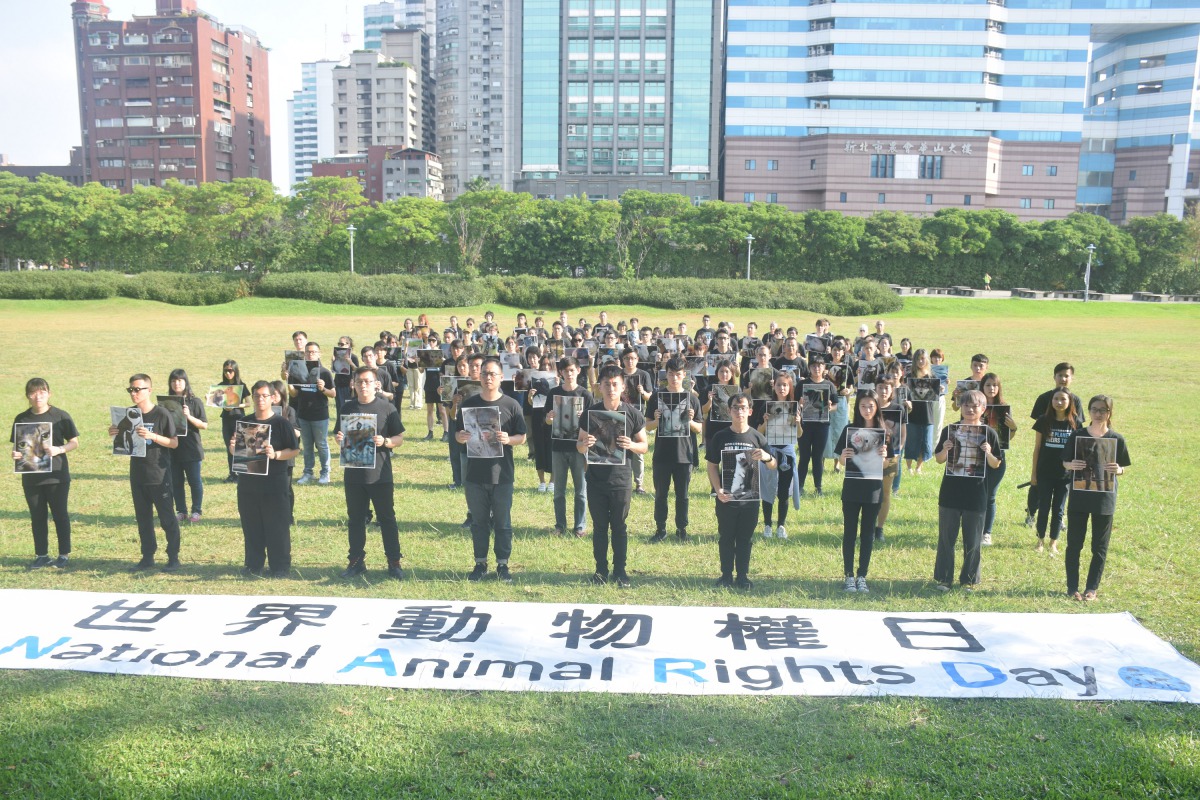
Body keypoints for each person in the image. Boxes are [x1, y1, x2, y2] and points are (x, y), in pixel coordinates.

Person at [456, 357, 527, 581]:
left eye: (493, 374)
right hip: (475, 474)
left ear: (501, 378)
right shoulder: (468, 404)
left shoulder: (511, 405)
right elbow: (457, 435)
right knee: (479, 523)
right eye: (485, 373)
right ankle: (480, 564)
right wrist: (461, 436)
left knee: (503, 522)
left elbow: (522, 437)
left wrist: (509, 439)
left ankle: (503, 565)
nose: (488, 378)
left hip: (502, 474)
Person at [577, 364, 649, 586]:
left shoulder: (632, 413)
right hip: (596, 479)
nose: (610, 388)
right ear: (599, 386)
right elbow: (579, 445)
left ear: (622, 386)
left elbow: (645, 446)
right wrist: (585, 444)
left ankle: (620, 571)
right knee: (599, 528)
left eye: (615, 384)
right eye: (606, 384)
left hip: (620, 480)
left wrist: (631, 445)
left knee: (619, 526)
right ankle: (600, 571)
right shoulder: (591, 413)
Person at [336, 366, 407, 580]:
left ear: (376, 384)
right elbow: (340, 435)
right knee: (355, 519)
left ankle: (394, 563)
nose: (363, 386)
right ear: (354, 384)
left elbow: (399, 439)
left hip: (379, 474)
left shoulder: (387, 408)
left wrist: (385, 441)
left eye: (368, 382)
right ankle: (356, 562)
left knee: (387, 519)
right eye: (359, 382)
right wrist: (339, 439)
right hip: (354, 473)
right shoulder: (347, 408)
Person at [109, 374, 182, 571]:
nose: (133, 393)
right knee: (143, 518)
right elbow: (125, 442)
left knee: (167, 518)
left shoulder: (162, 414)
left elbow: (174, 443)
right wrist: (115, 434)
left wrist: (153, 436)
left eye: (137, 389)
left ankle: (173, 556)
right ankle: (147, 556)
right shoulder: (129, 413)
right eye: (131, 389)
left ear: (148, 390)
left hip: (159, 474)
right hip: (138, 473)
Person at [932, 389, 1003, 592]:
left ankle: (969, 580)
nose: (970, 409)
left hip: (977, 493)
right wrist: (945, 449)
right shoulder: (950, 430)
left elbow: (996, 463)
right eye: (966, 405)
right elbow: (939, 459)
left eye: (975, 406)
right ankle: (944, 578)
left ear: (983, 409)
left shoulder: (990, 433)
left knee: (972, 540)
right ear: (960, 407)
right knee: (946, 538)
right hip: (951, 491)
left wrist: (988, 453)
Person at [1062, 395, 1131, 601]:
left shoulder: (1116, 439)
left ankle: (1092, 588)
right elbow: (1065, 462)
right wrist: (1070, 465)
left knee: (1099, 547)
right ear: (1089, 411)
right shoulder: (1077, 436)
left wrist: (1118, 470)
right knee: (1074, 544)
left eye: (1103, 410)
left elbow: (1123, 467)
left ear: (1109, 413)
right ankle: (1072, 587)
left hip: (1104, 498)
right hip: (1079, 496)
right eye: (1094, 409)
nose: (1098, 413)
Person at [706, 392, 777, 590]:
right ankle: (726, 576)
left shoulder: (757, 436)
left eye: (743, 407)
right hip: (726, 497)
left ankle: (743, 576)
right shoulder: (721, 436)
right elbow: (712, 465)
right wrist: (717, 488)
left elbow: (774, 465)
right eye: (735, 408)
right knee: (726, 537)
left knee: (745, 539)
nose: (739, 411)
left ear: (750, 411)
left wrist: (766, 457)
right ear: (729, 411)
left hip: (750, 499)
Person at [231, 381, 299, 577]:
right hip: (248, 483)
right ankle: (253, 564)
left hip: (275, 484)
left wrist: (275, 454)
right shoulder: (246, 422)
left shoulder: (281, 423)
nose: (260, 399)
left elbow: (294, 450)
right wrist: (233, 448)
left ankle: (279, 566)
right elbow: (237, 452)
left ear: (271, 398)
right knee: (251, 526)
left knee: (277, 526)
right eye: (256, 396)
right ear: (252, 398)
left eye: (264, 396)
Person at [11, 378, 79, 569]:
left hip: (56, 475)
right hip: (31, 477)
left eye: (42, 392)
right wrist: (16, 454)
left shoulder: (59, 416)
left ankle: (64, 554)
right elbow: (19, 447)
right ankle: (41, 554)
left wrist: (59, 449)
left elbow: (74, 442)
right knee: (37, 516)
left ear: (49, 393)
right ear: (28, 396)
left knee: (60, 515)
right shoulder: (21, 419)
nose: (38, 396)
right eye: (33, 392)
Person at [645, 356, 703, 542]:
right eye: (671, 374)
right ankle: (660, 529)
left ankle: (681, 529)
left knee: (682, 496)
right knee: (660, 495)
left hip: (684, 455)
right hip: (662, 455)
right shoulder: (657, 396)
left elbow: (699, 429)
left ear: (684, 375)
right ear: (666, 375)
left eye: (678, 375)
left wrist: (691, 420)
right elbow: (647, 426)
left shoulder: (691, 398)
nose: (674, 378)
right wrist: (655, 419)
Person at [835, 391, 887, 593]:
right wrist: (843, 456)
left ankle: (862, 575)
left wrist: (884, 456)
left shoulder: (882, 431)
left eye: (871, 406)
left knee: (867, 534)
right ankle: (849, 576)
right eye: (863, 406)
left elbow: (886, 463)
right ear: (858, 408)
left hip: (873, 489)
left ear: (877, 408)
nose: (867, 410)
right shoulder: (850, 429)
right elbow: (840, 459)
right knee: (849, 532)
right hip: (852, 487)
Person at [1025, 362, 1084, 526]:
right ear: (1054, 377)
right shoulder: (1044, 398)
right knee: (1036, 486)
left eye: (1067, 376)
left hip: (1066, 455)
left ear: (1071, 378)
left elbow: (1078, 428)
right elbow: (1039, 426)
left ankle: (1060, 517)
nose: (1063, 379)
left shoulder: (1075, 400)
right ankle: (1031, 512)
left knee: (1062, 490)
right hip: (1046, 451)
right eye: (1060, 375)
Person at [545, 356, 590, 537]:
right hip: (558, 446)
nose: (569, 374)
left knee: (581, 489)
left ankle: (580, 526)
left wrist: (583, 417)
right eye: (565, 371)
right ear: (560, 373)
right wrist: (549, 419)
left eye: (572, 370)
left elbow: (593, 423)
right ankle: (560, 525)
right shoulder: (553, 393)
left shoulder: (585, 394)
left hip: (579, 447)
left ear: (578, 370)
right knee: (559, 490)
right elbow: (546, 421)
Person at [754, 371, 801, 539]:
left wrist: (798, 423)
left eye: (785, 385)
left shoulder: (795, 407)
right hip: (769, 451)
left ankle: (781, 525)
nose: (782, 388)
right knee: (767, 488)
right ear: (774, 386)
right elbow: (758, 433)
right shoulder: (766, 406)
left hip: (787, 453)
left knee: (784, 490)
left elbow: (799, 435)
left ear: (790, 387)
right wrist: (765, 422)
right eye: (779, 384)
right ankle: (767, 524)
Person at [1030, 389, 1077, 554]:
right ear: (1051, 401)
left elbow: (1079, 449)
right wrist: (1033, 473)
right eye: (1055, 399)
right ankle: (1040, 540)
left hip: (1065, 476)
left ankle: (1053, 543)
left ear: (1069, 402)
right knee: (1044, 507)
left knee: (1059, 509)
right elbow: (1037, 448)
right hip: (1045, 473)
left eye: (1063, 399)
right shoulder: (1043, 421)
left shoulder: (1075, 422)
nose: (1059, 402)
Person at [980, 372, 1018, 546]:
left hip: (997, 457)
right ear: (982, 387)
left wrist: (1014, 429)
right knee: (977, 494)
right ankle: (976, 528)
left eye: (994, 385)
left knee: (990, 496)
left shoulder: (1004, 409)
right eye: (988, 385)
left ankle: (987, 533)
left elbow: (1005, 441)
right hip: (976, 456)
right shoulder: (974, 405)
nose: (991, 388)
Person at [289, 341, 335, 485]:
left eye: (313, 352)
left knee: (321, 445)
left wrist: (323, 389)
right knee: (307, 446)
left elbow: (333, 394)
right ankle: (308, 473)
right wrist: (289, 381)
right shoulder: (298, 370)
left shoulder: (325, 372)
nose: (310, 354)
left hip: (320, 415)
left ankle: (325, 472)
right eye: (308, 352)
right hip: (303, 414)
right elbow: (294, 394)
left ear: (319, 353)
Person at [166, 368, 208, 523]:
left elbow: (204, 425)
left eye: (180, 380)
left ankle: (196, 511)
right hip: (173, 448)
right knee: (176, 482)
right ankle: (181, 511)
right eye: (173, 381)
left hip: (191, 448)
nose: (177, 383)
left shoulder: (195, 402)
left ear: (185, 382)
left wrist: (189, 416)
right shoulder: (166, 403)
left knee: (194, 481)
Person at [796, 358, 836, 498]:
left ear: (824, 367)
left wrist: (830, 407)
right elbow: (795, 403)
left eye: (819, 366)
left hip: (822, 425)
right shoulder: (802, 384)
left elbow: (835, 405)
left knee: (818, 457)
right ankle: (799, 486)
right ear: (810, 368)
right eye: (813, 366)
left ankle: (818, 487)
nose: (816, 368)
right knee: (804, 456)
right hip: (805, 425)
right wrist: (799, 405)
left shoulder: (829, 385)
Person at [619, 347, 654, 495]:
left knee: (637, 450)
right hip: (619, 414)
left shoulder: (644, 375)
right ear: (623, 360)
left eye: (633, 358)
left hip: (637, 415)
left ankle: (639, 484)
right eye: (627, 358)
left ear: (637, 359)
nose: (630, 361)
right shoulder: (618, 375)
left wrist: (643, 392)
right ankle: (621, 480)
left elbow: (649, 398)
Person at [904, 349, 936, 475]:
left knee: (926, 442)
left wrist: (941, 388)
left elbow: (936, 395)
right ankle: (909, 467)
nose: (921, 361)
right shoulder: (909, 376)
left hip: (927, 413)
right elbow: (904, 394)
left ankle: (919, 467)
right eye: (918, 359)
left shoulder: (932, 377)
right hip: (912, 413)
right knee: (912, 440)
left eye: (923, 358)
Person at [217, 359, 246, 482]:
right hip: (226, 419)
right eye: (225, 371)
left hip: (238, 417)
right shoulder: (221, 386)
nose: (228, 373)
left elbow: (249, 403)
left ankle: (240, 474)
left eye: (230, 370)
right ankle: (232, 474)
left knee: (239, 446)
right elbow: (216, 401)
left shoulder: (241, 386)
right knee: (229, 446)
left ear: (235, 371)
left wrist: (236, 404)